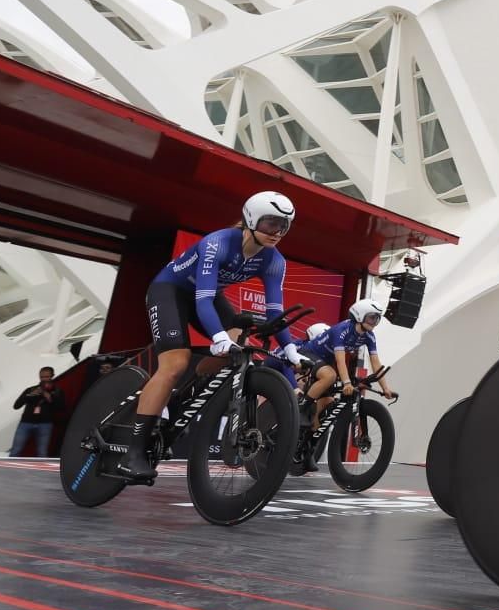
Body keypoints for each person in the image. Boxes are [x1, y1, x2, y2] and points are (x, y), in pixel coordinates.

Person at [115, 191, 302, 482]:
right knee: (176, 363)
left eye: (284, 226)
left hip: (208, 297)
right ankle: (133, 454)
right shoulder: (217, 242)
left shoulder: (274, 260)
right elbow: (202, 299)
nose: (277, 232)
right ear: (251, 219)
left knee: (239, 346)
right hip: (171, 291)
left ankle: (177, 400)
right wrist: (218, 336)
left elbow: (275, 311)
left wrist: (290, 348)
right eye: (270, 224)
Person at [297, 300, 395, 472]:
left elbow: (376, 363)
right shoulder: (342, 330)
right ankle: (302, 409)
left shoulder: (369, 336)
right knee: (331, 375)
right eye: (371, 318)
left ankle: (308, 450)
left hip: (326, 361)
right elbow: (340, 360)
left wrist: (385, 388)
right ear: (359, 316)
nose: (374, 323)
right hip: (310, 353)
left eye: (377, 319)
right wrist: (347, 382)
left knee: (324, 406)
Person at [9, 366, 62, 457]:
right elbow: (16, 406)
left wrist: (49, 398)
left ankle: (41, 471)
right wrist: (30, 395)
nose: (44, 379)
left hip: (45, 424)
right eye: (42, 377)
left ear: (52, 376)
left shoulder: (57, 391)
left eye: (47, 377)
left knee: (42, 453)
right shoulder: (30, 389)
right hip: (26, 423)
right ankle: (10, 471)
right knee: (15, 451)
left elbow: (61, 408)